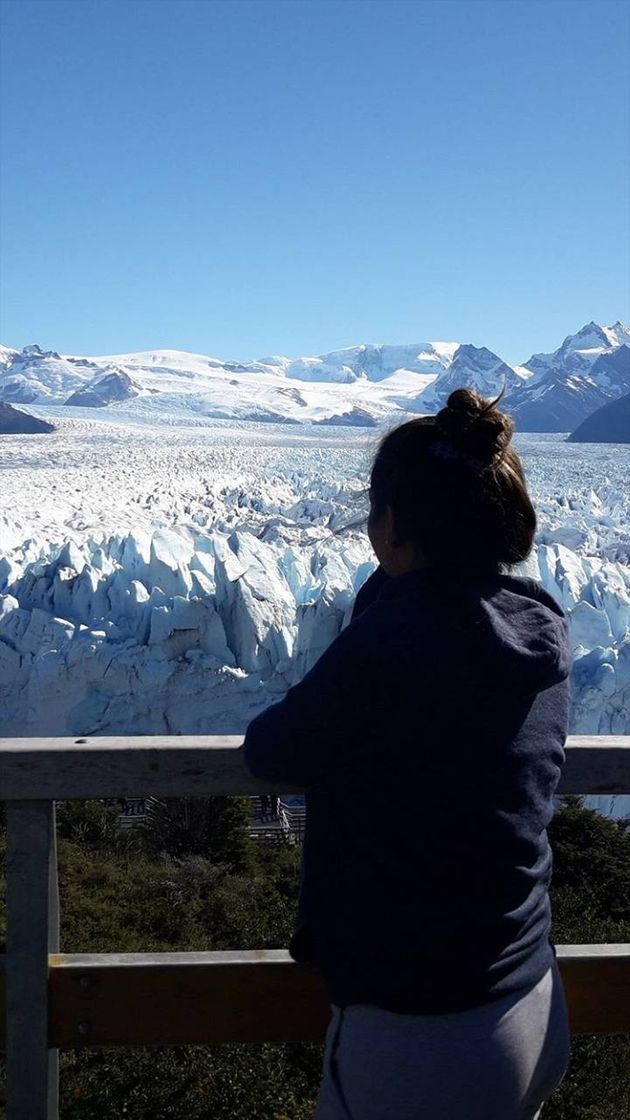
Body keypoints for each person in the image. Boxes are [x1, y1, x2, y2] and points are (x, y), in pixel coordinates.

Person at [243, 388, 571, 1120]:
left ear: (392, 526)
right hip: (530, 997)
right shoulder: (540, 628)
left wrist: (380, 609)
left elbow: (272, 747)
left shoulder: (390, 642)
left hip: (422, 1035)